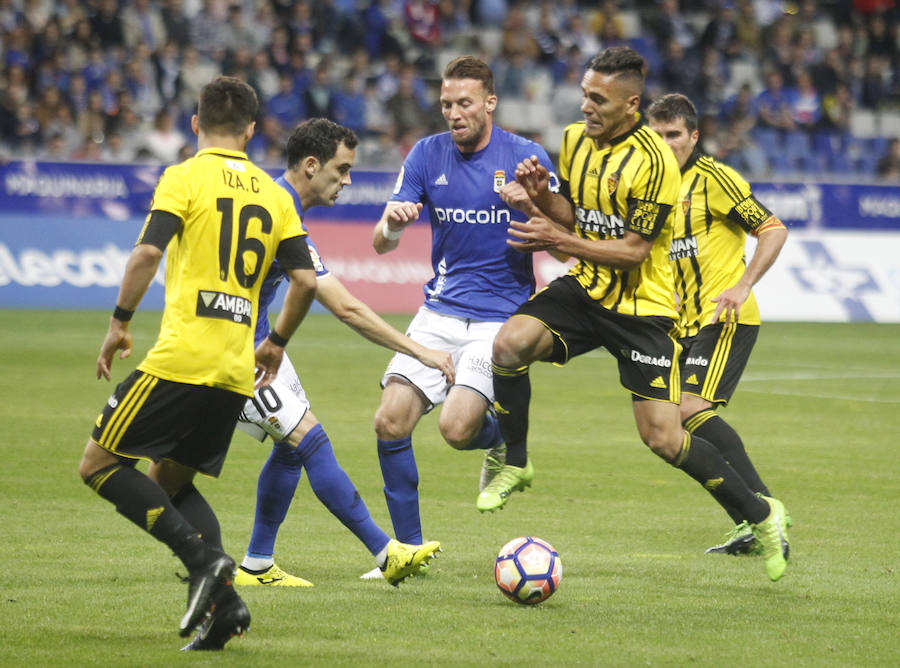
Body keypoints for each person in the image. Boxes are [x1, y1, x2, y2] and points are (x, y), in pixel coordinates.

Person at [485, 47, 790, 582]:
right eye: (584, 94)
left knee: (665, 436)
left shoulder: (653, 163)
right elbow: (579, 215)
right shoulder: (574, 141)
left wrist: (554, 234)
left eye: (598, 99)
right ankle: (515, 460)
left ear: (631, 103)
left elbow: (633, 250)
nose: (586, 107)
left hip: (643, 309)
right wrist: (541, 201)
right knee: (509, 344)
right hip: (587, 288)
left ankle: (759, 513)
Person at [77, 76, 319, 651]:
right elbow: (305, 280)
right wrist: (276, 341)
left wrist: (118, 321)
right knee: (170, 482)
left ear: (195, 124)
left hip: (182, 358)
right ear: (252, 130)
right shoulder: (275, 193)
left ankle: (202, 562)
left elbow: (148, 251)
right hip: (237, 370)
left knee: (98, 465)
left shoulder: (183, 176)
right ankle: (227, 607)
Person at [367, 55, 558, 577]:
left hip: (499, 323)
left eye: (465, 103)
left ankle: (498, 444)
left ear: (490, 102)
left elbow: (565, 241)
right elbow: (379, 244)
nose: (454, 113)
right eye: (447, 103)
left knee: (455, 429)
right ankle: (408, 551)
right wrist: (393, 223)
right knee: (389, 421)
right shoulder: (427, 155)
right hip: (439, 313)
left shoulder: (526, 157)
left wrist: (537, 206)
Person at [233, 118, 445, 588]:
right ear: (312, 165)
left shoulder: (271, 201)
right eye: (342, 169)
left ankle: (256, 563)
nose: (347, 181)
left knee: (291, 451)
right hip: (230, 351)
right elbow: (346, 307)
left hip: (259, 343)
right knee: (310, 440)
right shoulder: (280, 214)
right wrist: (421, 352)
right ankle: (385, 551)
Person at [646, 92, 791, 556]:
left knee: (686, 410)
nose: (667, 144)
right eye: (658, 135)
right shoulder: (650, 188)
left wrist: (744, 284)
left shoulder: (715, 179)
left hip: (725, 316)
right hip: (682, 325)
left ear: (693, 136)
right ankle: (750, 520)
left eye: (675, 135)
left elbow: (773, 228)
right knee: (670, 426)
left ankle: (764, 508)